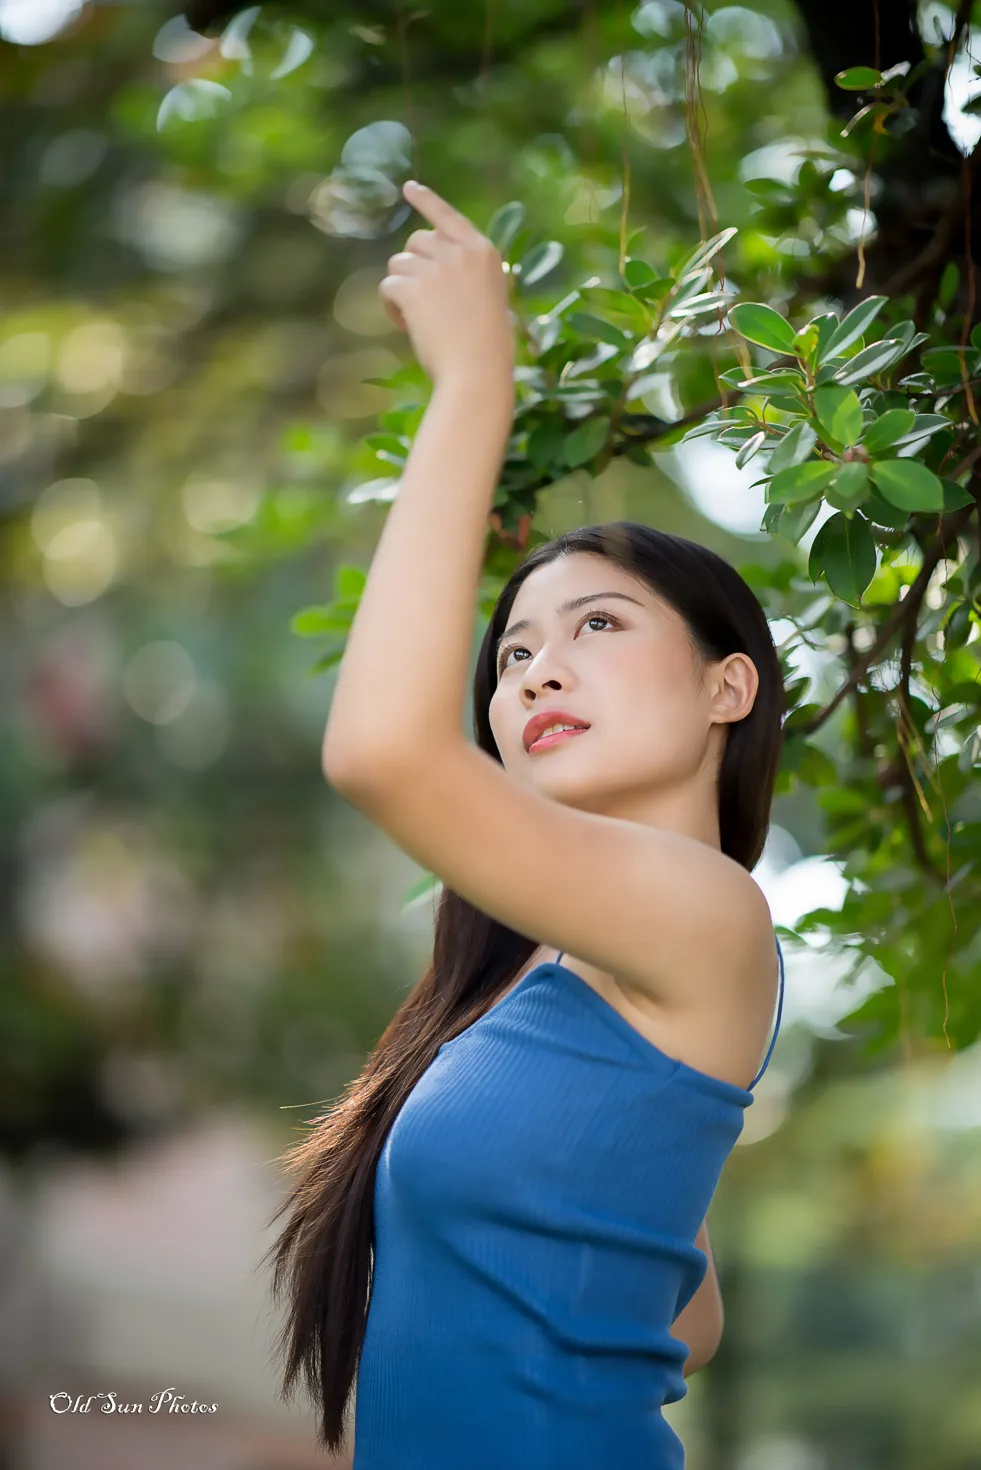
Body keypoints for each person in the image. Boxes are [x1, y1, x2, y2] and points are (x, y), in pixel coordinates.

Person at [267, 180, 787, 1469]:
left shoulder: (704, 913)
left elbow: (383, 748)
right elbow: (691, 1309)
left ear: (730, 685)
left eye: (598, 626)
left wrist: (473, 386)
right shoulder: (541, 975)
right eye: (511, 656)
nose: (534, 674)